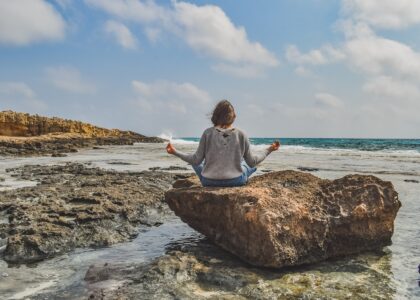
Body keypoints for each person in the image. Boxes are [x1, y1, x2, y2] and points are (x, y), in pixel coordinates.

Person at [166, 100, 280, 187]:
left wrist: (174, 151)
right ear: (234, 116)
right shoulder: (241, 134)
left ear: (215, 116)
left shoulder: (207, 133)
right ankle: (247, 170)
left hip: (208, 182)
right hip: (236, 181)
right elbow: (252, 161)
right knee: (247, 164)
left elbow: (196, 160)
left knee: (195, 162)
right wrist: (269, 149)